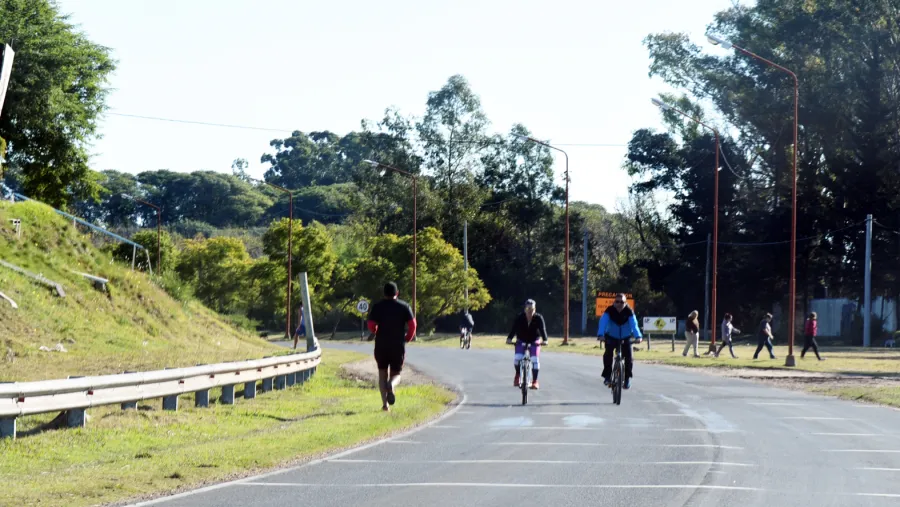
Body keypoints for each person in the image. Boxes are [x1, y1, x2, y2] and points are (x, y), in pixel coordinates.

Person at [366, 282, 417, 412]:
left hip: (381, 345)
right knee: (396, 374)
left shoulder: (378, 307)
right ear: (397, 293)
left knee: (382, 373)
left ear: (384, 294)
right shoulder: (404, 306)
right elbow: (413, 325)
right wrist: (408, 338)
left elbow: (371, 324)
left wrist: (376, 330)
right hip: (397, 345)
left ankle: (385, 405)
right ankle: (392, 384)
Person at [597, 293, 643, 389]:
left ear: (625, 303)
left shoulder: (629, 311)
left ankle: (627, 379)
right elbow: (603, 322)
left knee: (629, 358)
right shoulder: (609, 311)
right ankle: (607, 376)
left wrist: (638, 336)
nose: (619, 304)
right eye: (617, 301)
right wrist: (601, 334)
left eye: (622, 302)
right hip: (611, 336)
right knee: (608, 354)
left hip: (626, 337)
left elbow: (634, 325)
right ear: (614, 302)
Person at [506, 299, 548, 390]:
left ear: (535, 309)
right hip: (521, 339)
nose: (530, 312)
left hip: (534, 340)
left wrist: (545, 340)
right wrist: (509, 339)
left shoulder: (538, 318)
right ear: (525, 309)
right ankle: (517, 375)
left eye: (532, 309)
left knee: (535, 359)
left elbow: (542, 329)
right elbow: (514, 329)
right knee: (517, 358)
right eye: (528, 309)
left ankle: (535, 381)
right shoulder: (520, 317)